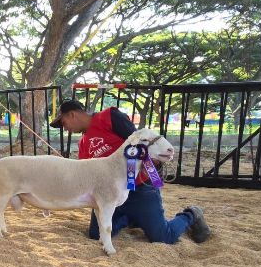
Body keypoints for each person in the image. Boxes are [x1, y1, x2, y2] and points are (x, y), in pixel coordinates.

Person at [50, 99, 212, 245]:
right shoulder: (83, 144)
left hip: (139, 187)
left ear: (72, 115)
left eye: (64, 123)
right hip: (109, 196)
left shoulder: (109, 116)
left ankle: (191, 214)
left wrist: (153, 172)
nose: (66, 129)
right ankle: (133, 217)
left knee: (163, 237)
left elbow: (138, 143)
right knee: (95, 235)